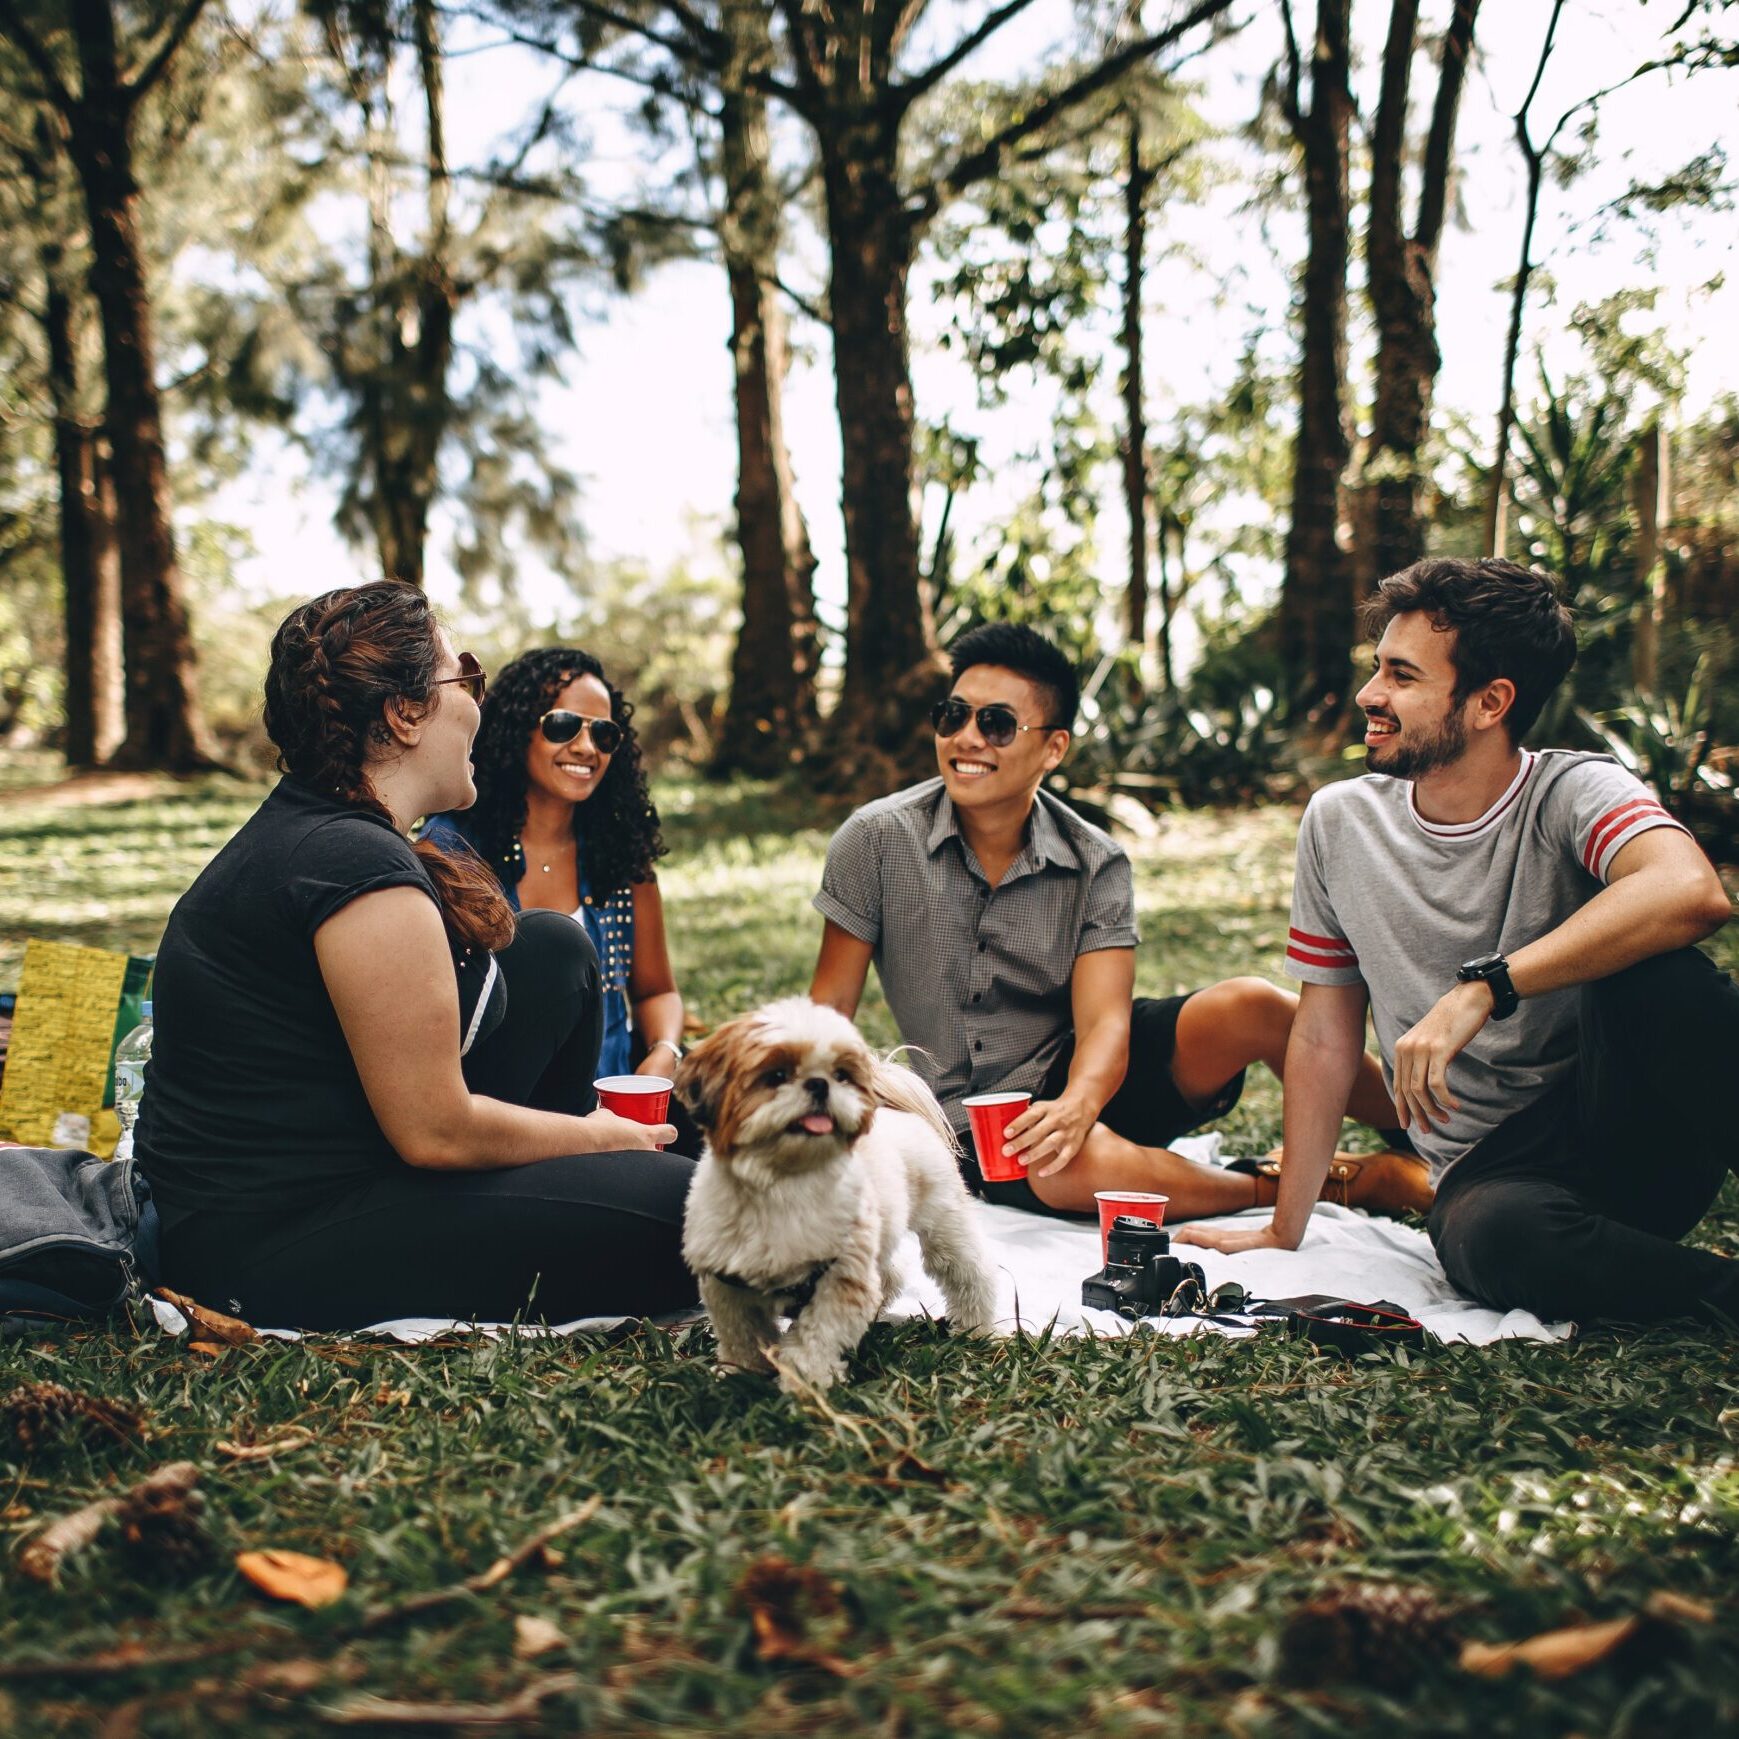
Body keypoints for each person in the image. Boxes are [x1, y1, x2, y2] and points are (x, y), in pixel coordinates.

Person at [1176, 558, 1738, 1330]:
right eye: (1376, 668)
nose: (1370, 695)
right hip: (1493, 1174)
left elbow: (1690, 890)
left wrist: (1487, 985)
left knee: (1661, 979)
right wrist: (1285, 1224)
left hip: (1628, 1123)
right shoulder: (1339, 823)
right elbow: (1321, 1035)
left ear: (1489, 702)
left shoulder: (1572, 789)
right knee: (1491, 1239)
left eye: (1401, 676)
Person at [137, 582, 697, 1331]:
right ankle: (603, 1181)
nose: (477, 702)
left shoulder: (331, 829)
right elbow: (436, 1131)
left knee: (553, 948)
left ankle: (587, 1181)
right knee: (694, 1212)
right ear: (404, 714)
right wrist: (603, 1134)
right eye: (463, 676)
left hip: (349, 1158)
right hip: (265, 1240)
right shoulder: (352, 866)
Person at [808, 622, 1430, 1223]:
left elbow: (1106, 1021)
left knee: (1255, 1005)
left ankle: (1439, 1143)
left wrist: (1079, 1104)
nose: (967, 739)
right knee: (1063, 1167)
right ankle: (1323, 1182)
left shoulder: (1094, 860)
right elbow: (829, 1008)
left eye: (996, 724)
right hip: (976, 1122)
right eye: (953, 716)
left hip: (1089, 1072)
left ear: (1053, 747)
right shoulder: (877, 840)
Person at [419, 647, 700, 1153]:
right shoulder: (452, 851)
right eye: (564, 725)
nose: (586, 746)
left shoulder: (620, 856)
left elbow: (657, 990)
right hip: (507, 1119)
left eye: (604, 733)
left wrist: (664, 1051)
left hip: (620, 1113)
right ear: (517, 728)